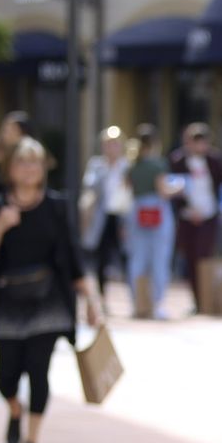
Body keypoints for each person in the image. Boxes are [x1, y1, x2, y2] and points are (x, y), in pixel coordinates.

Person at [0, 137, 102, 443]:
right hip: (9, 301)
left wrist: (92, 301)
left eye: (35, 162)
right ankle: (14, 408)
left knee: (38, 370)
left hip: (49, 301)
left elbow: (73, 256)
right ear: (10, 169)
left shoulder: (56, 206)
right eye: (22, 161)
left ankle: (32, 439)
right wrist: (1, 225)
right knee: (5, 377)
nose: (29, 169)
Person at [168, 123, 222, 312]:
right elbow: (173, 189)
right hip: (188, 218)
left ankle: (208, 299)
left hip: (209, 216)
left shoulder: (214, 161)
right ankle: (197, 300)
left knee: (205, 257)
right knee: (191, 259)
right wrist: (188, 210)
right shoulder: (178, 161)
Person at [125, 124, 181, 319]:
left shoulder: (133, 166)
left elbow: (127, 189)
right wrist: (179, 187)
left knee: (137, 259)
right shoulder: (158, 165)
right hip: (157, 210)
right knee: (159, 259)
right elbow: (164, 191)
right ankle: (156, 304)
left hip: (137, 211)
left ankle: (138, 303)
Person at [80, 126, 131, 307]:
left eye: (115, 144)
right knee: (101, 258)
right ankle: (102, 297)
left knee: (126, 255)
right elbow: (90, 185)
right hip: (102, 217)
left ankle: (133, 297)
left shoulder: (127, 165)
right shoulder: (97, 165)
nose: (112, 148)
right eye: (109, 144)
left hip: (122, 216)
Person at [0, 111, 34, 200]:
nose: (4, 134)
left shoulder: (33, 156)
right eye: (4, 130)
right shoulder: (1, 156)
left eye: (11, 130)